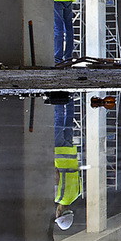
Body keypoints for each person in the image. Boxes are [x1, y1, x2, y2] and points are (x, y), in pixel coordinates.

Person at [54, 97, 82, 230]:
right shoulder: (57, 197)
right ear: (59, 213)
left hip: (70, 152)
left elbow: (78, 174)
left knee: (68, 122)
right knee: (58, 121)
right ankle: (57, 95)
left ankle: (70, 98)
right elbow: (56, 175)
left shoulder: (78, 193)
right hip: (58, 152)